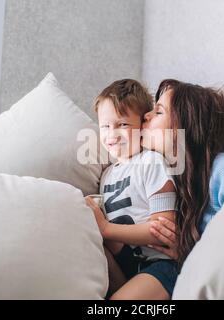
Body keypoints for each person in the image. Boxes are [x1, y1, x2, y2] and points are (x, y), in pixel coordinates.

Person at [85, 79, 179, 300]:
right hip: (126, 267)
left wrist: (105, 228)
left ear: (142, 125)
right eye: (105, 126)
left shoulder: (152, 162)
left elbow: (163, 231)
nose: (112, 134)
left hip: (159, 265)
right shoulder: (107, 174)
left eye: (123, 125)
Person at [141, 79, 224, 266]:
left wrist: (187, 255)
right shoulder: (165, 182)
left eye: (159, 111)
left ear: (184, 126)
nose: (146, 115)